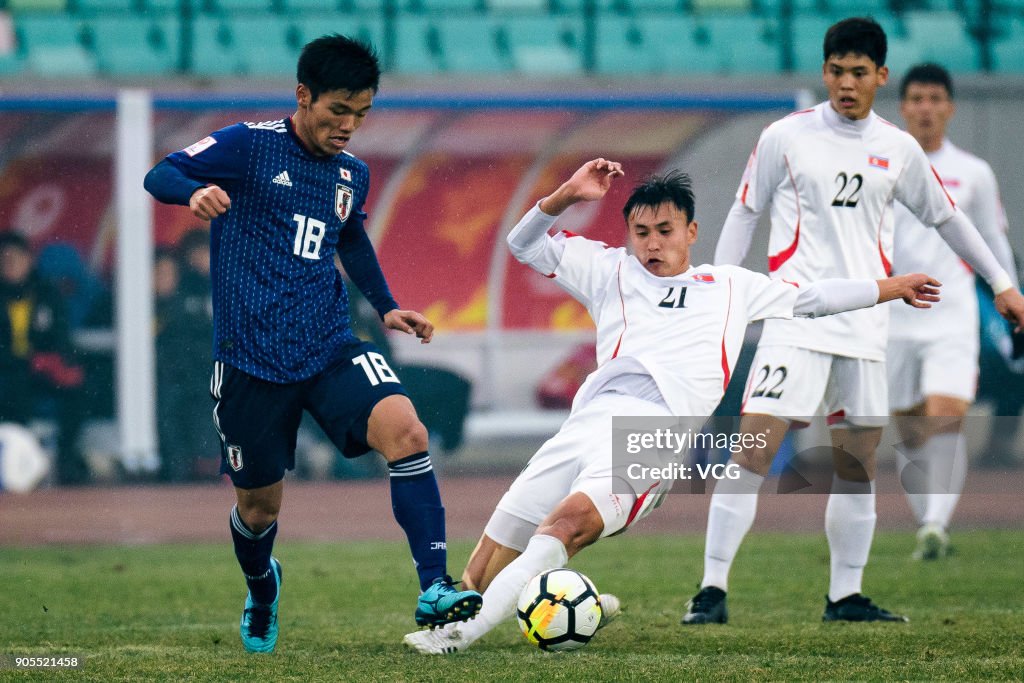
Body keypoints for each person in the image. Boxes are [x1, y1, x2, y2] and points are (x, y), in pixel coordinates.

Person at [404, 158, 943, 654]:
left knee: (565, 526)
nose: (652, 244)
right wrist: (567, 194)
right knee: (490, 552)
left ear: (691, 233)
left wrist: (892, 287)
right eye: (641, 232)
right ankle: (460, 621)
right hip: (587, 423)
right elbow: (522, 244)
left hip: (656, 435)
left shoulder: (730, 286)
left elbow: (814, 298)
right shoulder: (608, 269)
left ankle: (462, 640)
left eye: (665, 231)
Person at [143, 34, 481, 653]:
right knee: (259, 511)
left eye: (361, 114)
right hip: (250, 362)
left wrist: (387, 306)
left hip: (329, 345)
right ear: (304, 95)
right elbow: (160, 171)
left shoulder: (352, 172)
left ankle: (435, 583)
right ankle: (262, 586)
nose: (349, 126)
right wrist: (191, 192)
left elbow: (349, 238)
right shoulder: (248, 144)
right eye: (338, 111)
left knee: (406, 433)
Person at [684, 17, 1024, 626]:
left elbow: (949, 220)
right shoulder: (785, 137)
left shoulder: (897, 148)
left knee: (857, 462)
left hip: (867, 328)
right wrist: (720, 293)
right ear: (824, 72)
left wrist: (1002, 284)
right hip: (796, 318)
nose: (846, 83)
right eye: (836, 71)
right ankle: (710, 590)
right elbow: (743, 213)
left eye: (859, 73)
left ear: (880, 77)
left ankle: (845, 596)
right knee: (754, 447)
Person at [887, 63, 1018, 559]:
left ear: (950, 106)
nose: (926, 108)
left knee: (947, 415)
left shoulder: (974, 173)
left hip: (952, 311)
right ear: (903, 106)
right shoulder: (882, 166)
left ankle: (935, 525)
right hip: (893, 314)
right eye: (917, 98)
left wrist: (1010, 293)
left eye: (935, 98)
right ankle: (927, 517)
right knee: (911, 426)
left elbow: (992, 241)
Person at [0, 231, 89, 485]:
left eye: (16, 259)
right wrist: (21, 362)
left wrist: (56, 361)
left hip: (39, 372)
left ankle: (66, 459)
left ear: (29, 260)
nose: (11, 265)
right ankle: (19, 460)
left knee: (78, 391)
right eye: (5, 260)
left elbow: (61, 336)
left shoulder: (46, 293)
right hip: (7, 373)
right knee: (14, 391)